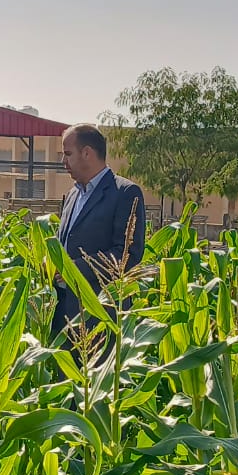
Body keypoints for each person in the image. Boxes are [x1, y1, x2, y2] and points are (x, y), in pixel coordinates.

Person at [50, 123, 146, 340]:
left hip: (99, 316)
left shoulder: (125, 193)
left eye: (67, 154)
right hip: (63, 313)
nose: (63, 161)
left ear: (87, 153)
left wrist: (73, 270)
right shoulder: (72, 195)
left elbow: (127, 256)